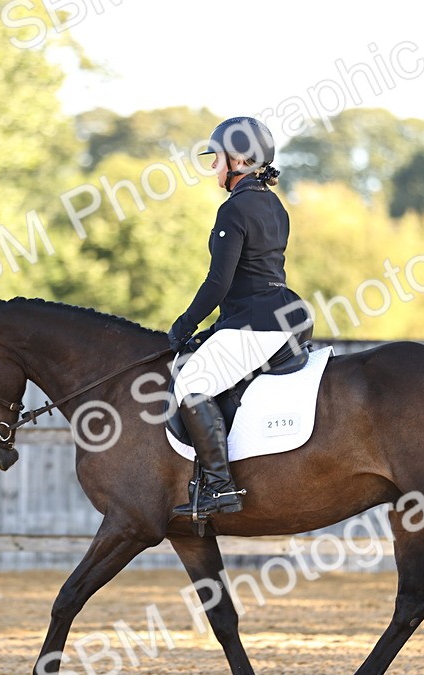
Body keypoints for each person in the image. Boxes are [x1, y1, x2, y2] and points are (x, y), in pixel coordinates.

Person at [166, 116, 311, 518]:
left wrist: (184, 324)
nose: (213, 166)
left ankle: (218, 486)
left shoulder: (234, 210)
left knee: (192, 385)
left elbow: (219, 283)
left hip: (259, 322)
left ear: (241, 160)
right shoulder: (273, 204)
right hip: (284, 314)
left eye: (218, 158)